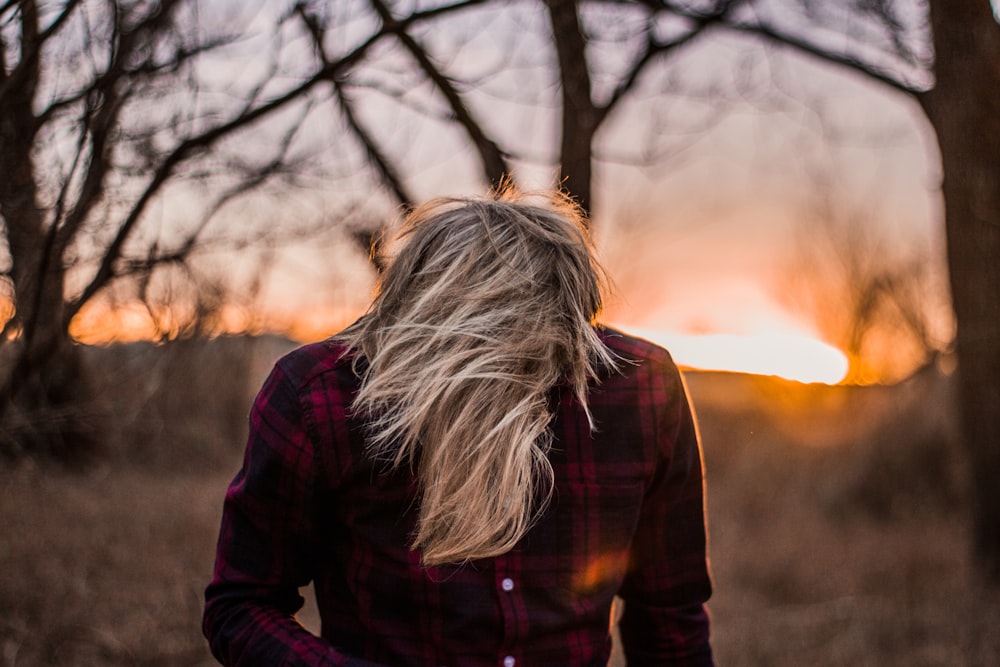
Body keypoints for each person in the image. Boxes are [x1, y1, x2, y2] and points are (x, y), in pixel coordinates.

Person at [203, 189, 714, 666]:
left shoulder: (638, 388)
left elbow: (669, 612)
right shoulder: (321, 394)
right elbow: (242, 604)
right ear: (420, 318)